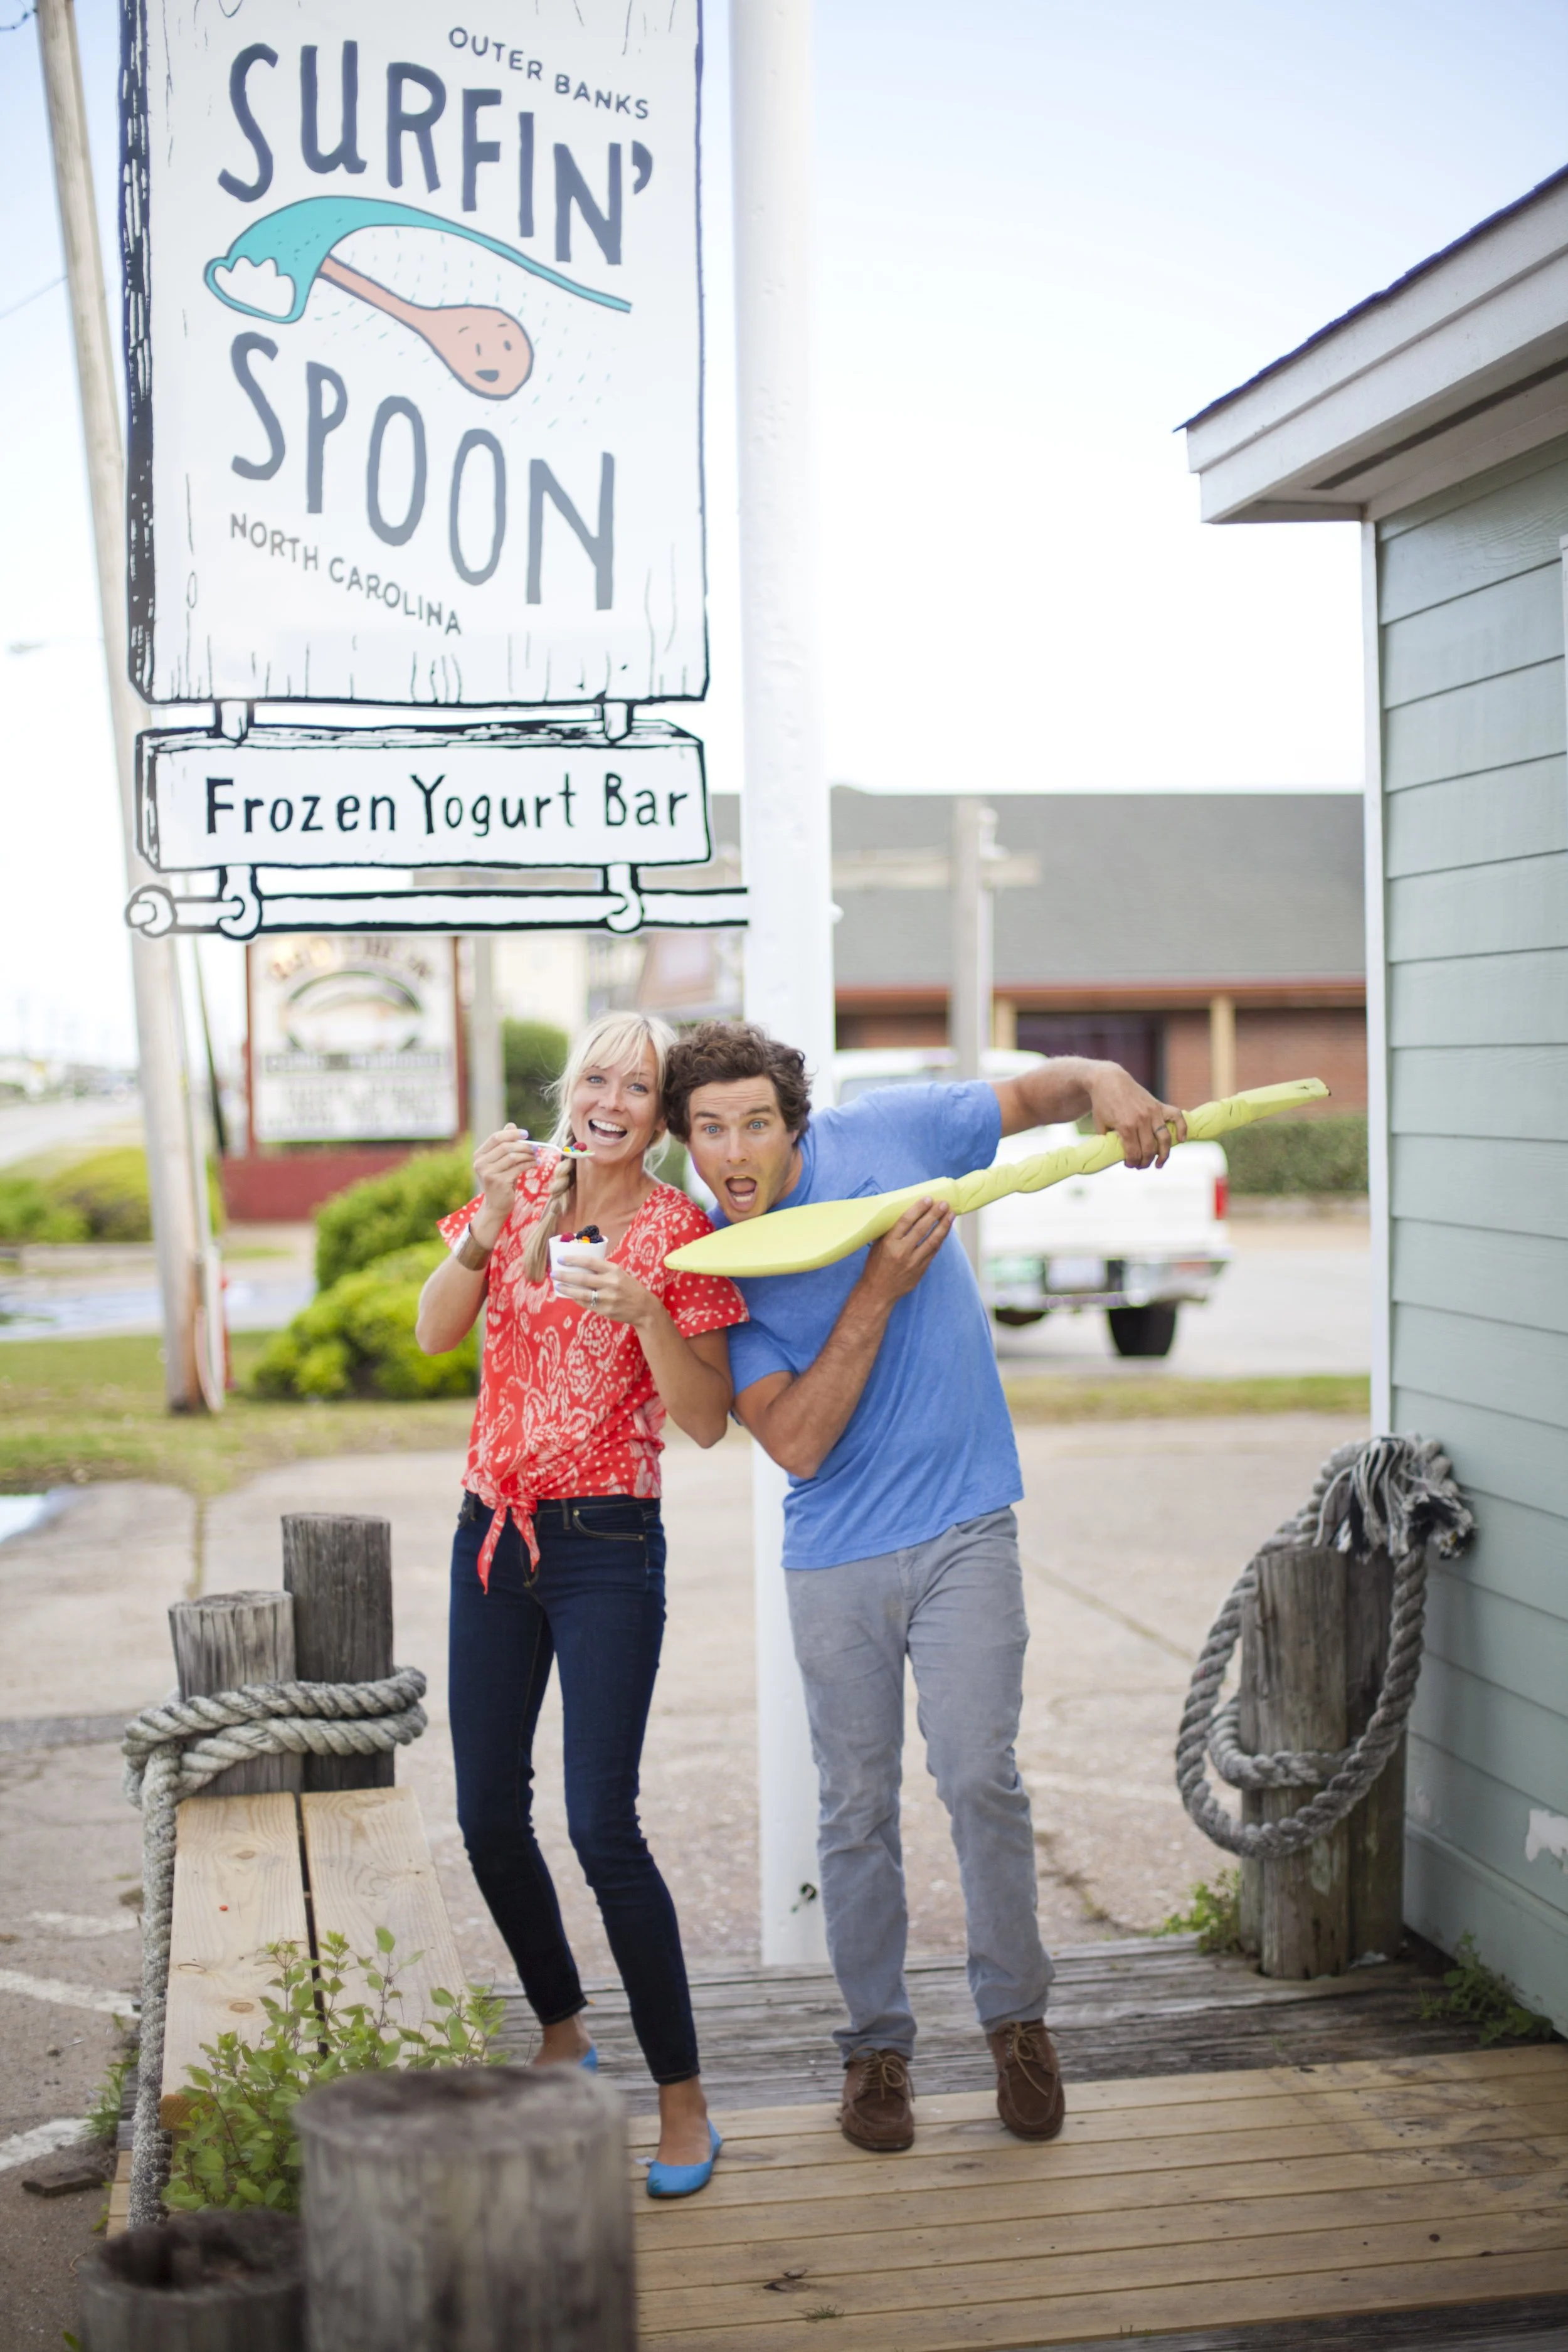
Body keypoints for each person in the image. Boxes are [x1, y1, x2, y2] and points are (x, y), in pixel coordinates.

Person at [662, 1022, 1186, 2154]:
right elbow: (795, 1442)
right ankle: (876, 2049)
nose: (735, 1151)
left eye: (756, 1123)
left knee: (979, 1776)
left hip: (964, 1525)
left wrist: (1108, 1079)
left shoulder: (893, 1131)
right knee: (855, 1808)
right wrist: (880, 1289)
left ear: (795, 1122)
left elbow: (1039, 1097)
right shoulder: (712, 1266)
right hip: (835, 1555)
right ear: (685, 1141)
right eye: (709, 1130)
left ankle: (1018, 2024)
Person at [416, 1010, 748, 2198]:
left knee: (603, 1825)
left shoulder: (681, 1233)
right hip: (490, 1535)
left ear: (662, 1118)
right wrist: (488, 1219)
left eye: (639, 1087)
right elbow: (432, 1333)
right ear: (572, 1087)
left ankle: (684, 2100)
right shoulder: (520, 1194)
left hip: (607, 1542)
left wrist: (645, 1311)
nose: (612, 1100)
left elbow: (705, 1420)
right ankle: (562, 2028)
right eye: (598, 1076)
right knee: (485, 1816)